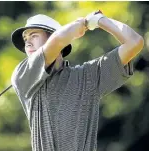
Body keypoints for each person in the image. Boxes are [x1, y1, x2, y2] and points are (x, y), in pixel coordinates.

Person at [10, 10, 144, 151]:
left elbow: (134, 42)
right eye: (25, 39)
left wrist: (100, 20)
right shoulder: (23, 75)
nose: (28, 43)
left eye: (34, 36)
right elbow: (58, 40)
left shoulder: (87, 77)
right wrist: (81, 24)